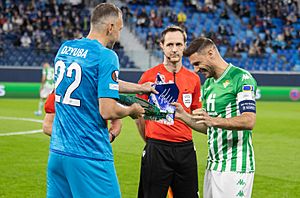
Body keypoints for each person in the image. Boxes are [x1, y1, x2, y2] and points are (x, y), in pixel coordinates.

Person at [47, 3, 145, 198]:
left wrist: (140, 88)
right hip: (89, 154)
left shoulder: (65, 48)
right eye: (120, 28)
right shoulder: (106, 56)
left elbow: (96, 81)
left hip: (58, 153)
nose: (119, 33)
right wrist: (132, 110)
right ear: (110, 27)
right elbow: (107, 111)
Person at [174, 37, 257, 198]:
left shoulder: (241, 78)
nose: (196, 70)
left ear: (211, 53)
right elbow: (208, 127)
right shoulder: (209, 85)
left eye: (197, 64)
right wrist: (183, 116)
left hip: (235, 166)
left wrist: (214, 120)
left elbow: (249, 120)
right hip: (213, 165)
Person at [135, 25, 202, 198]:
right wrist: (150, 141)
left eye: (179, 45)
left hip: (185, 149)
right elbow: (138, 115)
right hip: (157, 148)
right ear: (161, 45)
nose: (174, 49)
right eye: (170, 44)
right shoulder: (148, 76)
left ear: (184, 46)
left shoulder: (194, 79)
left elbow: (196, 113)